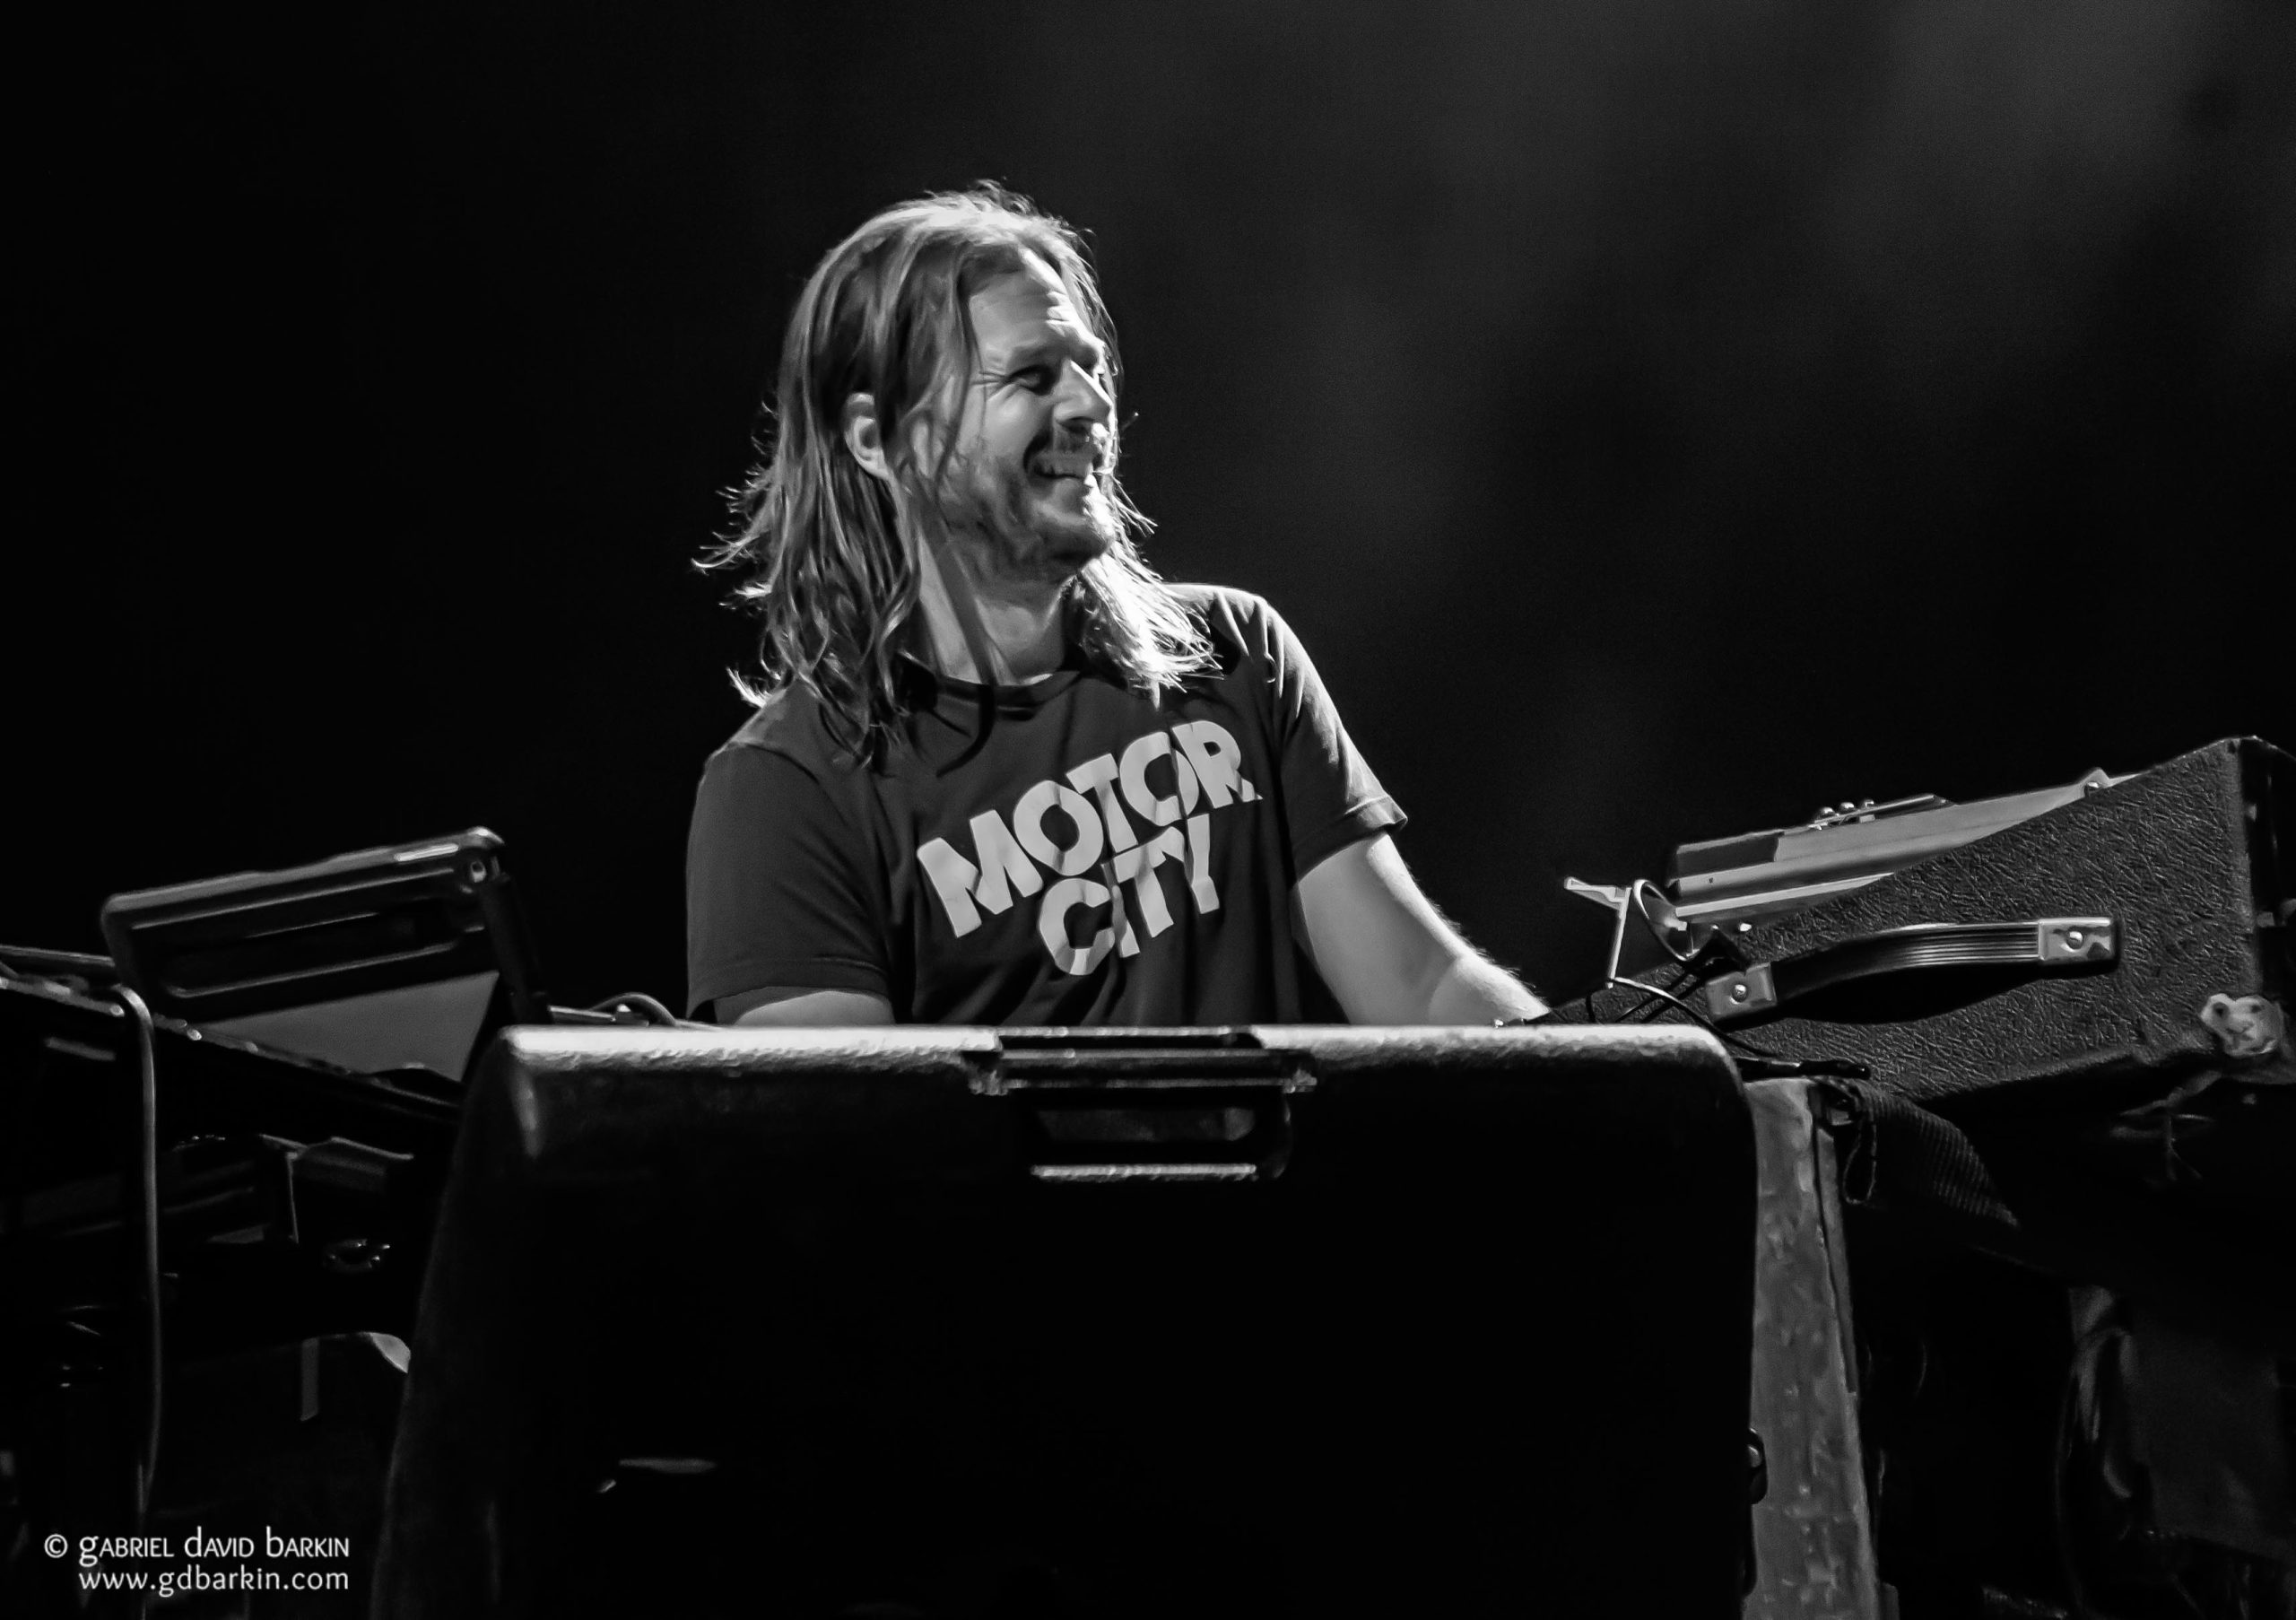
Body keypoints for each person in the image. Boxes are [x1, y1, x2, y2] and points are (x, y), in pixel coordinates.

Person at [685, 186, 1544, 1029]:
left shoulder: (1232, 653)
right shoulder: (786, 786)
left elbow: (1419, 987)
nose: (1093, 404)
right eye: (1031, 376)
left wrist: (1592, 1065)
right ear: (880, 440)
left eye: (1090, 368)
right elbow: (838, 1113)